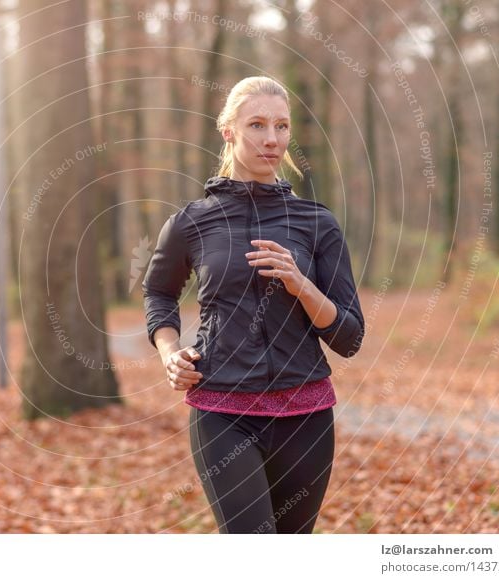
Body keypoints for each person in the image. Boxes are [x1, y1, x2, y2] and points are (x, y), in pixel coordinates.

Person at [142, 75, 365, 534]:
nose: (271, 139)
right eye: (257, 125)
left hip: (306, 416)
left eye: (282, 127)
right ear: (229, 131)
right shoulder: (191, 222)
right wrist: (169, 353)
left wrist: (300, 282)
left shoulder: (317, 222)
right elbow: (159, 293)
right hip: (222, 408)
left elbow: (349, 336)